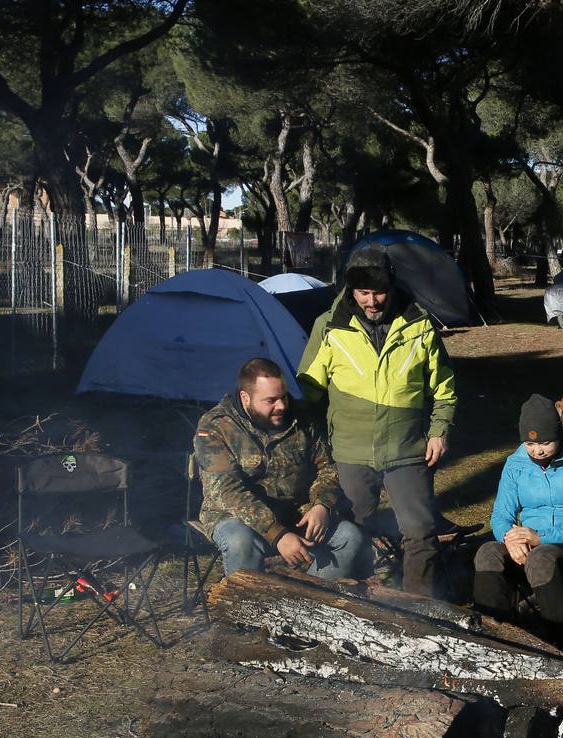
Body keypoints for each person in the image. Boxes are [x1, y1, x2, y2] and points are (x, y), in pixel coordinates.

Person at [298, 246, 456, 598]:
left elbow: (444, 388)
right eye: (364, 292)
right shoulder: (328, 327)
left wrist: (439, 431)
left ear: (393, 286)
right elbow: (308, 393)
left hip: (407, 450)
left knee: (421, 532)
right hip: (350, 452)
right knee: (348, 533)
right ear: (351, 289)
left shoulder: (419, 325)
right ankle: (349, 606)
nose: (372, 301)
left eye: (379, 292)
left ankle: (418, 612)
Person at [194, 358, 371, 580]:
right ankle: (249, 612)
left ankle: (308, 608)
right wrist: (277, 534)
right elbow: (227, 492)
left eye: (284, 397)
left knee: (349, 537)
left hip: (294, 511)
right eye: (271, 400)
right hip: (235, 517)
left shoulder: (302, 419)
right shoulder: (216, 426)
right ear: (245, 397)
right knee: (241, 542)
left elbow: (327, 467)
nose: (281, 406)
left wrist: (322, 505)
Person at [473, 395, 563, 644]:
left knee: (541, 557)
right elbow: (501, 515)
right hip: (528, 547)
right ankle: (493, 640)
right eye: (530, 444)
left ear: (559, 435)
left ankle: (562, 646)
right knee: (488, 552)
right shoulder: (515, 464)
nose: (538, 450)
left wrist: (541, 538)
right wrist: (509, 539)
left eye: (545, 442)